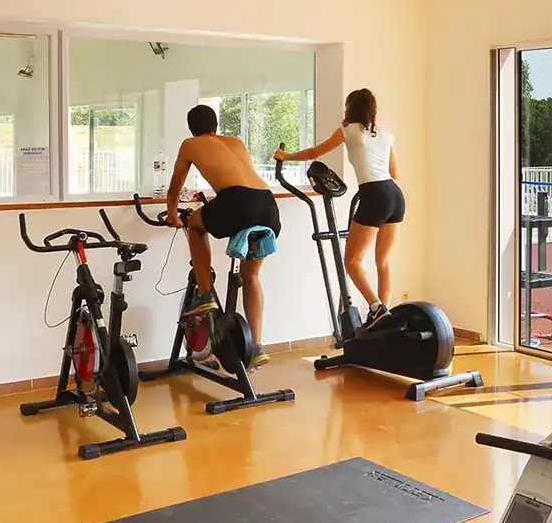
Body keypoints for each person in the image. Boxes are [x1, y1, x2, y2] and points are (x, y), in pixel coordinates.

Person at [167, 104, 280, 362]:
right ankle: (257, 347)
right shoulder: (235, 142)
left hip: (237, 201)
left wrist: (172, 214)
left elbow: (174, 188)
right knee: (251, 276)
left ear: (191, 129)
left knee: (195, 224)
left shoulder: (190, 144)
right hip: (267, 204)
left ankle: (205, 293)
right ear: (216, 125)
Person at [277, 88, 403, 318]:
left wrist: (286, 157)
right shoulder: (385, 134)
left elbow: (315, 152)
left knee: (352, 262)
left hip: (374, 195)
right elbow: (394, 172)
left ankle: (377, 309)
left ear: (350, 108)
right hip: (395, 196)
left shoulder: (347, 130)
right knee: (383, 262)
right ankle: (385, 317)